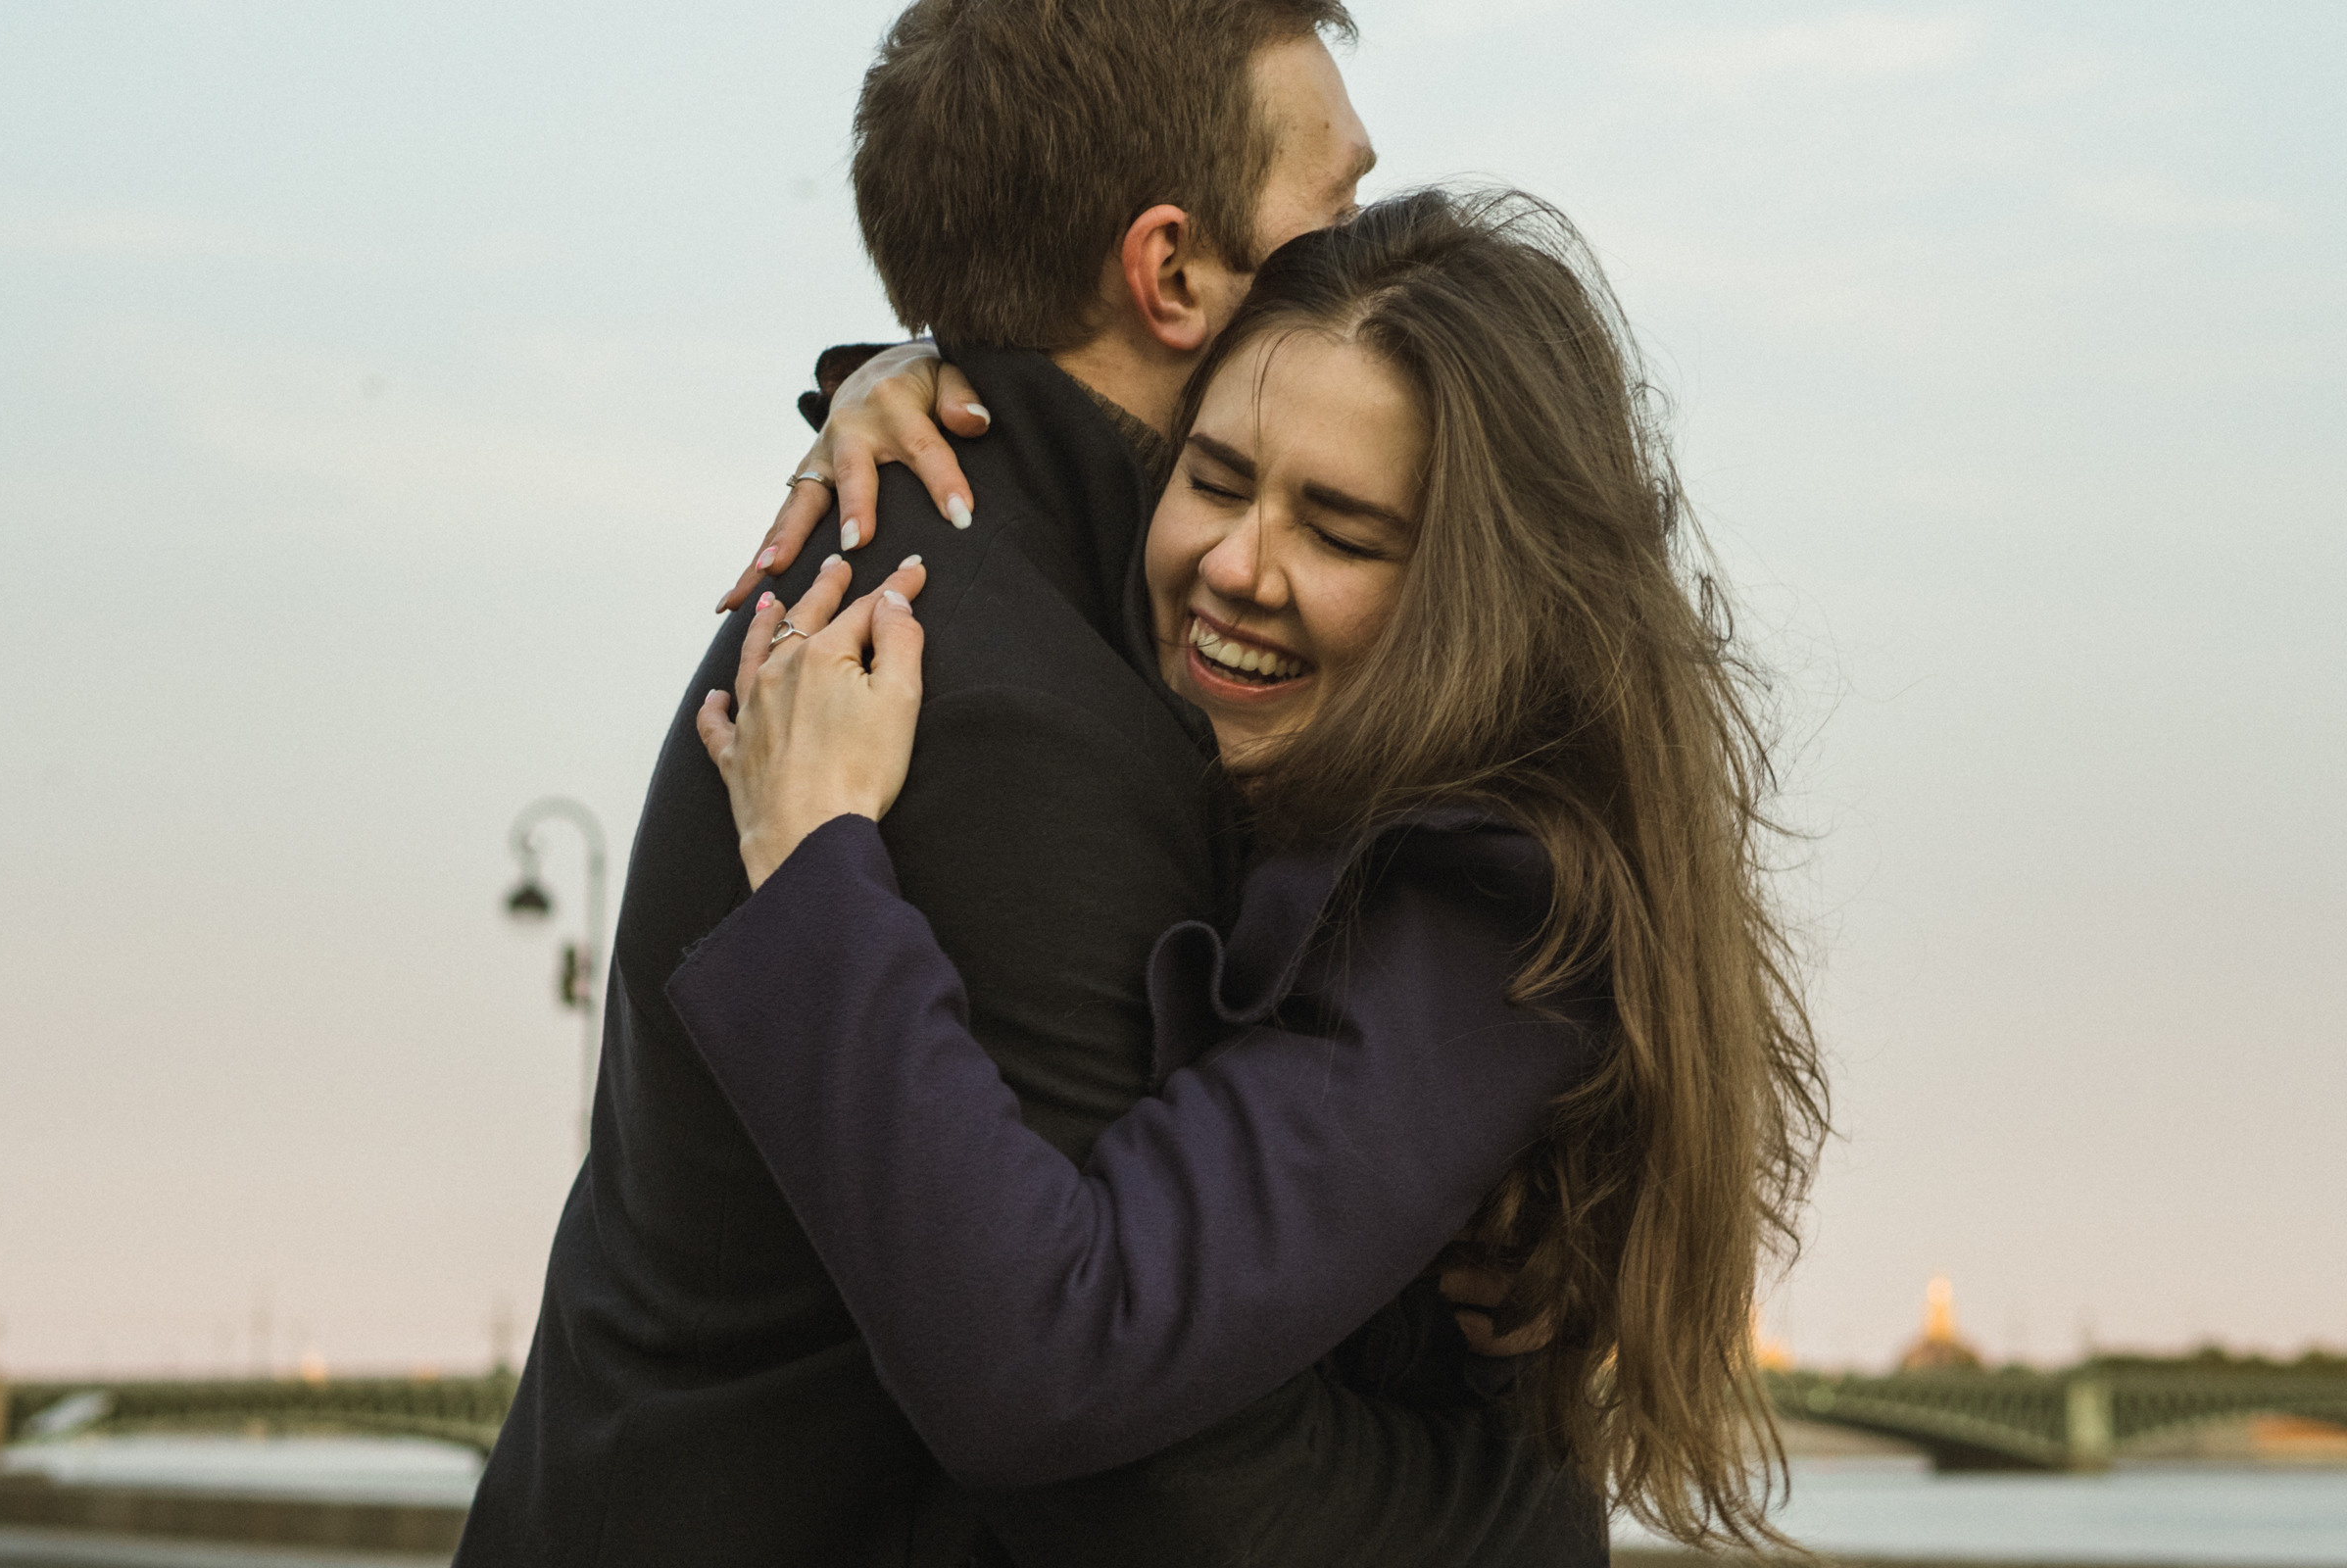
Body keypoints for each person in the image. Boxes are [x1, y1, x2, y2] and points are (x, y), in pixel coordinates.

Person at [456, 4, 1596, 1564]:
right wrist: (1536, 1509)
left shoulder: (1006, 583)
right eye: (1335, 210)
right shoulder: (991, 698)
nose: (1371, 249)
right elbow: (1115, 1438)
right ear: (1171, 271)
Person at [682, 188, 1828, 1551]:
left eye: (1340, 534)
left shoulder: (1490, 919)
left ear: (1482, 597)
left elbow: (1048, 1362)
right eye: (1215, 481)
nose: (1238, 566)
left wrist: (814, 865)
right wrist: (913, 379)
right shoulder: (1252, 771)